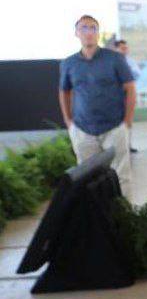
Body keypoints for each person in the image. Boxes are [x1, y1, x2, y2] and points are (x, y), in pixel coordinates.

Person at [58, 14, 135, 195]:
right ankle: (93, 221)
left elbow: (130, 89)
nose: (89, 32)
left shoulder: (115, 59)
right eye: (84, 28)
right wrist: (69, 122)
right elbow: (64, 92)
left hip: (114, 127)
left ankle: (124, 220)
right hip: (83, 130)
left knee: (121, 177)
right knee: (86, 180)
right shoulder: (68, 63)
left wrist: (127, 122)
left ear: (98, 33)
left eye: (93, 28)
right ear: (77, 33)